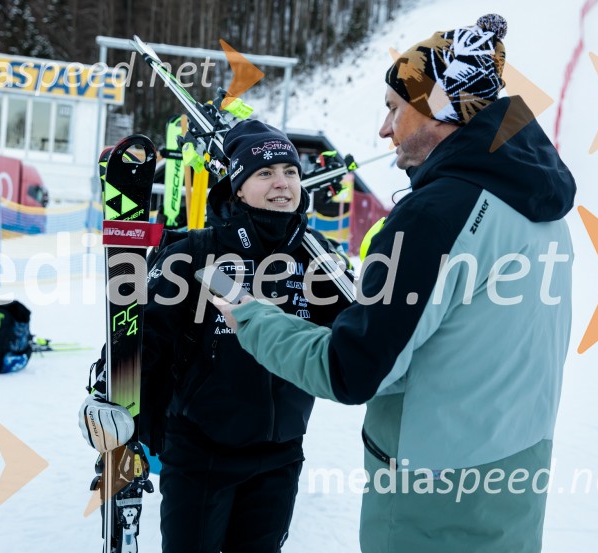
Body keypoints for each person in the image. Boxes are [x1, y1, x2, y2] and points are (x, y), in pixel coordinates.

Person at [216, 14, 576, 553]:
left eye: (393, 109)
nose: (385, 130)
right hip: (514, 484)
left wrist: (251, 316)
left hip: (429, 501)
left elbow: (350, 369)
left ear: (440, 110)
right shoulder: (542, 204)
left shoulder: (434, 215)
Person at [81, 119, 350, 552]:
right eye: (265, 173)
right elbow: (140, 337)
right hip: (200, 453)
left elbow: (354, 339)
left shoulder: (317, 258)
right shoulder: (195, 252)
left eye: (291, 172)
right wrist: (106, 391)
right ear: (238, 186)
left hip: (281, 453)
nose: (282, 183)